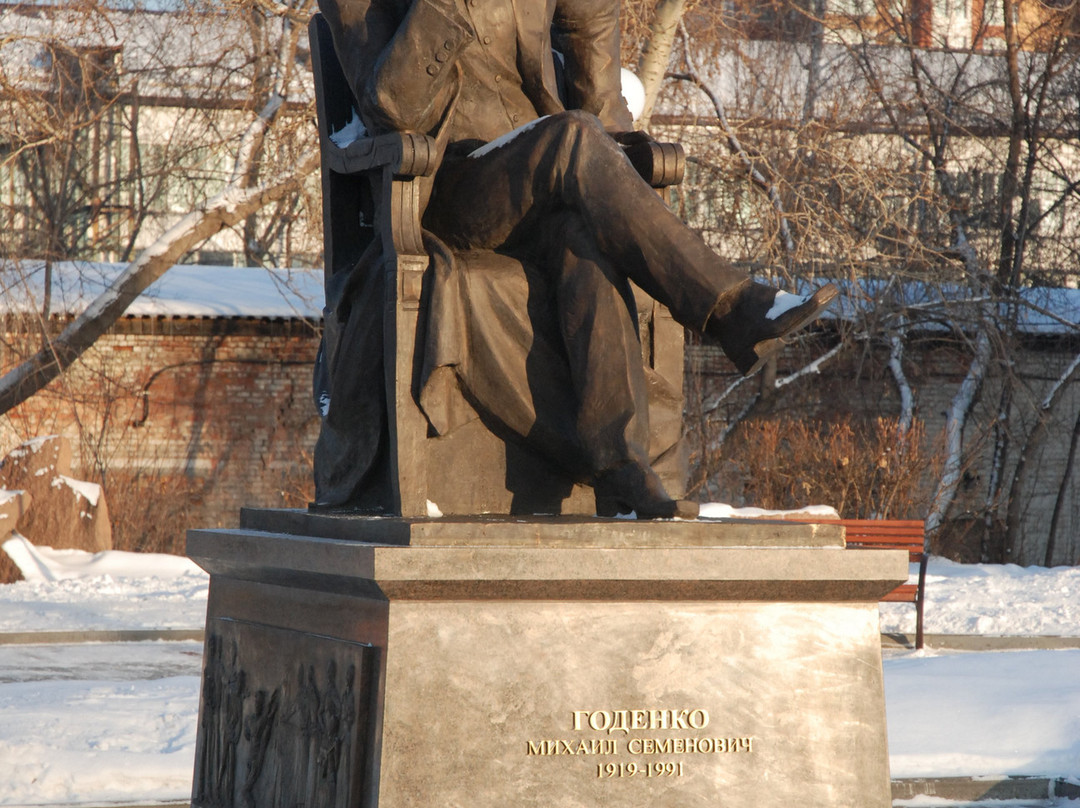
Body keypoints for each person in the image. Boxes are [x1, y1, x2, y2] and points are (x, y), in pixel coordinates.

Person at [315, 0, 838, 518]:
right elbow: (391, 105)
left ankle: (621, 468)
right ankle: (731, 309)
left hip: (544, 184)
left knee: (583, 242)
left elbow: (599, 94)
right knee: (571, 136)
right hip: (444, 187)